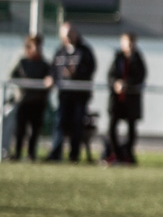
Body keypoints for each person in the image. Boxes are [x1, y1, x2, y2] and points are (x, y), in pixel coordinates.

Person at [50, 22, 96, 163]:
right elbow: (53, 70)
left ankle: (73, 156)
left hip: (80, 96)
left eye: (70, 34)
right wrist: (51, 77)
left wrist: (76, 74)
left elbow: (90, 69)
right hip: (64, 95)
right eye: (65, 35)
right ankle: (55, 155)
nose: (68, 38)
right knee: (60, 123)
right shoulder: (60, 51)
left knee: (77, 124)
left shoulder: (84, 51)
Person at [8, 33, 53, 160]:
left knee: (35, 129)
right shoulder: (22, 62)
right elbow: (12, 77)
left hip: (38, 101)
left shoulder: (44, 64)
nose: (38, 49)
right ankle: (17, 153)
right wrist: (22, 87)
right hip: (23, 101)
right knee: (21, 129)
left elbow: (50, 78)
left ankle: (31, 154)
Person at [104, 32, 147, 165]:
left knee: (131, 130)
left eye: (131, 42)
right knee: (111, 129)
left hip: (131, 101)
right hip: (117, 101)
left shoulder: (138, 59)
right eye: (126, 42)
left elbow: (141, 76)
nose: (129, 45)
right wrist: (116, 83)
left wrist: (127, 84)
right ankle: (115, 154)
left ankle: (127, 155)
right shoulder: (118, 58)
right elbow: (110, 76)